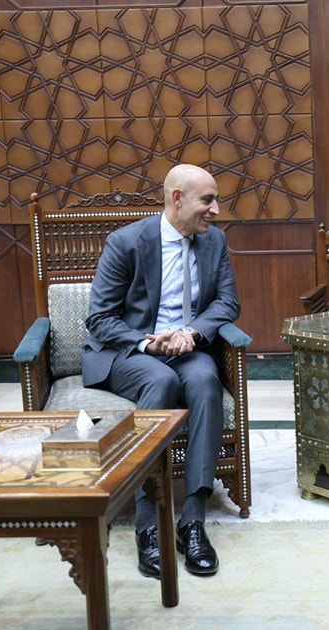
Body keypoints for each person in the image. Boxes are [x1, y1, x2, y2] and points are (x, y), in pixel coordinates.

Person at [83, 164, 240, 579]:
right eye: (208, 200)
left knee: (205, 380)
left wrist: (191, 332)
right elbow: (99, 318)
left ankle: (193, 521)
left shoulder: (215, 241)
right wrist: (149, 342)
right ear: (177, 198)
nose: (216, 210)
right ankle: (147, 523)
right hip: (131, 350)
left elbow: (227, 303)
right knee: (161, 379)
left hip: (187, 347)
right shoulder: (126, 242)